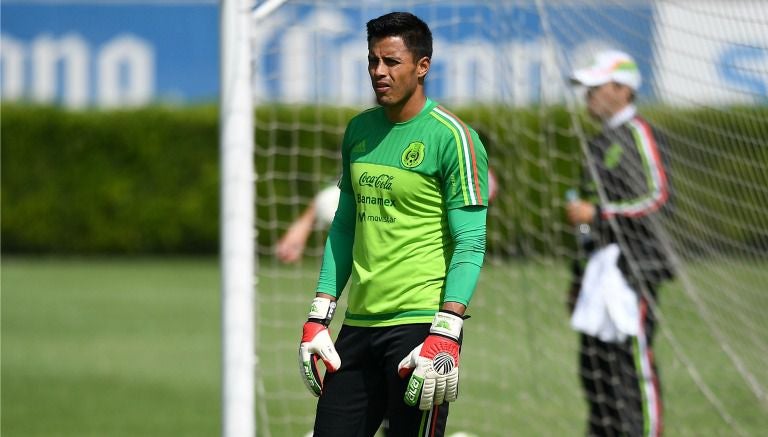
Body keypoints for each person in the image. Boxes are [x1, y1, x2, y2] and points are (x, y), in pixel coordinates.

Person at [297, 11, 490, 437]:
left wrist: (448, 328)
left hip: (420, 329)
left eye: (391, 62)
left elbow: (471, 242)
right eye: (372, 61)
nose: (378, 72)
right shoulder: (358, 131)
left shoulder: (453, 137)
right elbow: (345, 225)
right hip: (358, 325)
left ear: (423, 67)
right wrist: (318, 315)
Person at [567, 50, 674, 437]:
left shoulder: (638, 134)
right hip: (600, 272)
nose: (588, 96)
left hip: (634, 271)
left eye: (595, 88)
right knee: (596, 372)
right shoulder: (600, 141)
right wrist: (578, 277)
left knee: (632, 367)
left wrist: (597, 214)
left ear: (622, 89)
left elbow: (658, 198)